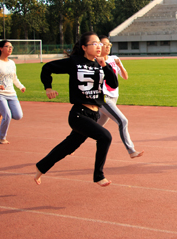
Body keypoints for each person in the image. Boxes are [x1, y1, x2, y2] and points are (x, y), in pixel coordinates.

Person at [34, 32, 118, 187]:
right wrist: (48, 88)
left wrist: (104, 66)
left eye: (100, 43)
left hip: (93, 115)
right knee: (105, 136)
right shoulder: (74, 62)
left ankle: (40, 168)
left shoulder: (100, 64)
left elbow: (113, 84)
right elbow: (47, 68)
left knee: (68, 146)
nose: (99, 46)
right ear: (84, 47)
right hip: (79, 114)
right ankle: (98, 175)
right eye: (94, 43)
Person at [97, 35, 144, 159]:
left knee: (93, 126)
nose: (108, 47)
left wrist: (120, 65)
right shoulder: (96, 62)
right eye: (105, 44)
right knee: (123, 121)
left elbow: (125, 76)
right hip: (104, 98)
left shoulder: (114, 59)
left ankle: (72, 143)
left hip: (113, 98)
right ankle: (131, 150)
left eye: (109, 45)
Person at [0, 40, 25, 144]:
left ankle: (0, 110)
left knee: (18, 116)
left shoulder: (12, 63)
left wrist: (20, 86)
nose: (10, 48)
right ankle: (2, 138)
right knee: (7, 115)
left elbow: (14, 78)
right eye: (7, 46)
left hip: (11, 93)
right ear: (1, 48)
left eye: (11, 47)